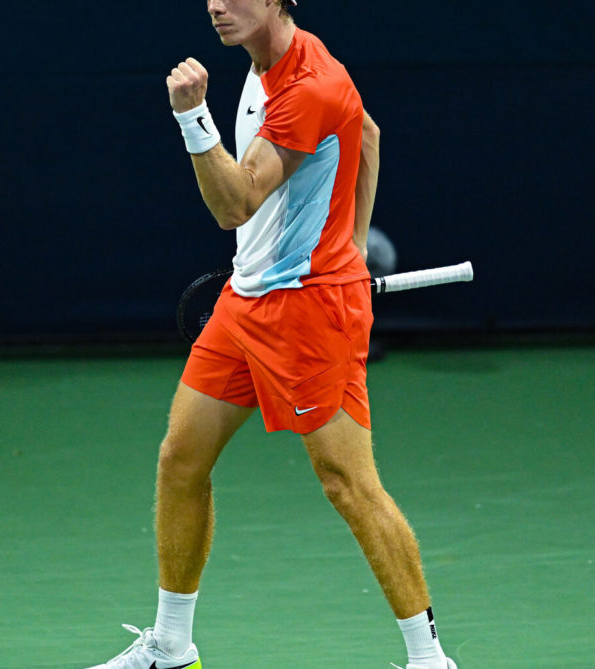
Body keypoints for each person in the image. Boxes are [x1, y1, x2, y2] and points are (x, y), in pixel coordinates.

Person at [84, 2, 456, 668]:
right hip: (246, 300)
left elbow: (235, 204)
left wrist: (192, 117)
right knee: (181, 458)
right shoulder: (272, 59)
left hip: (311, 316)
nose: (215, 5)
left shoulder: (308, 86)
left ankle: (430, 660)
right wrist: (350, 243)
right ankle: (171, 646)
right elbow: (366, 134)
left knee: (349, 484)